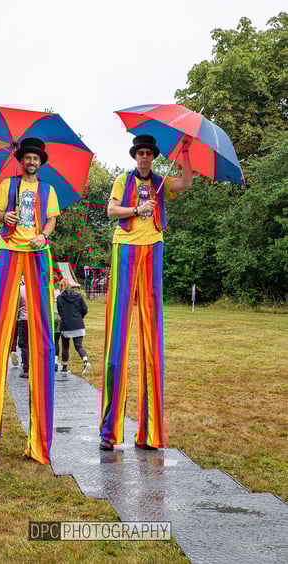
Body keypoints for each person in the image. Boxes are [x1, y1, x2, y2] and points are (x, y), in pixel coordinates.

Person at [99, 134, 193, 451]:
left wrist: (186, 154)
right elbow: (111, 211)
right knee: (118, 335)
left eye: (149, 154)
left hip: (153, 248)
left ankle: (150, 433)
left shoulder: (161, 182)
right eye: (140, 153)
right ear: (134, 156)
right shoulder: (121, 180)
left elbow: (186, 184)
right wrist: (136, 209)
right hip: (124, 248)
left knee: (152, 335)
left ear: (154, 158)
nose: (144, 158)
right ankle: (109, 433)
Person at [0, 137, 60, 467]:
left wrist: (44, 235)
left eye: (37, 158)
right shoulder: (7, 185)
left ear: (41, 162)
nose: (32, 162)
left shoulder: (48, 190)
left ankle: (39, 444)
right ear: (21, 160)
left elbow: (52, 219)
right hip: (7, 251)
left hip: (37, 253)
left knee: (41, 336)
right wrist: (4, 218)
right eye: (28, 157)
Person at [57, 279, 91, 375]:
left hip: (66, 325)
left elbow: (60, 311)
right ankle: (86, 361)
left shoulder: (60, 298)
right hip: (78, 323)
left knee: (65, 346)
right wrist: (80, 317)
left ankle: (64, 366)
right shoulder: (78, 296)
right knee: (78, 346)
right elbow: (85, 309)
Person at [17, 277, 29, 378]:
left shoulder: (20, 290)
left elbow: (17, 305)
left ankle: (26, 368)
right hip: (34, 320)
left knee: (24, 344)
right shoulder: (35, 288)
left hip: (23, 319)